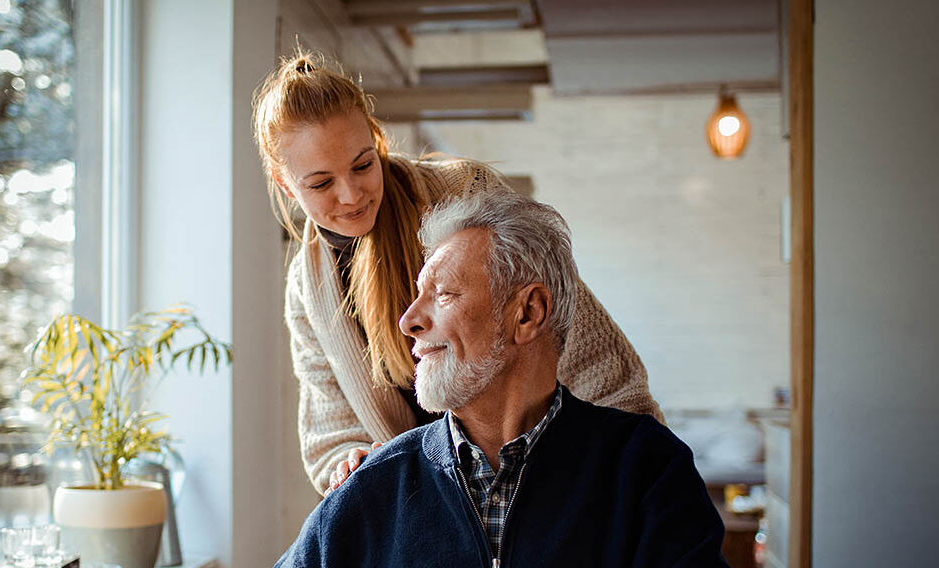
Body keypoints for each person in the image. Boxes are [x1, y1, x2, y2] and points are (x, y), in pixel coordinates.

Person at [216, 188, 752, 568]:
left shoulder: (644, 469)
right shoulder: (373, 487)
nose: (410, 321)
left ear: (527, 313)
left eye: (443, 295)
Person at [252, 51, 664, 496]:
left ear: (377, 140)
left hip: (549, 475)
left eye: (363, 165)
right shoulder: (307, 288)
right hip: (435, 509)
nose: (351, 195)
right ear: (283, 181)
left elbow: (577, 338)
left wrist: (638, 462)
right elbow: (330, 433)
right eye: (320, 183)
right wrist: (352, 460)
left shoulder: (463, 194)